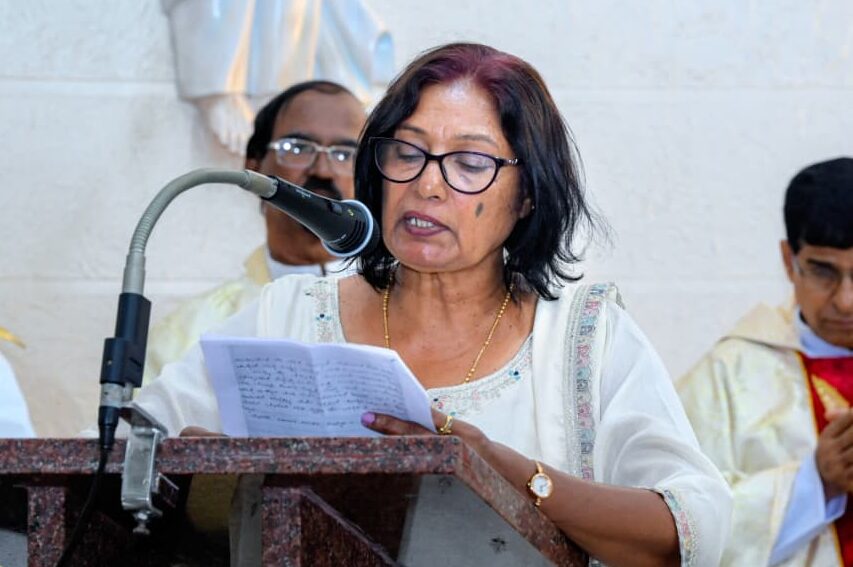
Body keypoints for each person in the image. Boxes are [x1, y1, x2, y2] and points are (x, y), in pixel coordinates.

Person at [134, 43, 731, 566]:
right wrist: (205, 472)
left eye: (470, 163)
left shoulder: (582, 336)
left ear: (527, 195)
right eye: (408, 152)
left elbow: (693, 529)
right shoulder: (288, 316)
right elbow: (127, 451)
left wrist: (501, 471)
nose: (427, 184)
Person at [678, 157, 853, 566]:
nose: (846, 301)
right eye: (823, 271)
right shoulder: (728, 375)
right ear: (788, 261)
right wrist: (817, 482)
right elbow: (683, 525)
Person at [143, 80, 366, 383]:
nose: (323, 170)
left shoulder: (403, 313)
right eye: (298, 148)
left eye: (345, 154)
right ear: (255, 168)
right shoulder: (190, 335)